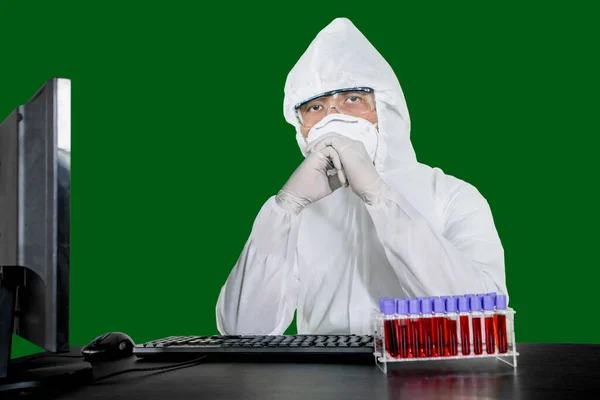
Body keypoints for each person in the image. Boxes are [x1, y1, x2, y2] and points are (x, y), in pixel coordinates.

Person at [216, 18, 507, 335]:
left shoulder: (450, 196)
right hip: (319, 382)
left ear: (386, 108)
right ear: (300, 127)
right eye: (315, 107)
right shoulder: (296, 213)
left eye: (352, 99)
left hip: (427, 376)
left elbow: (483, 314)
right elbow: (241, 330)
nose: (333, 117)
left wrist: (382, 199)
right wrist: (285, 208)